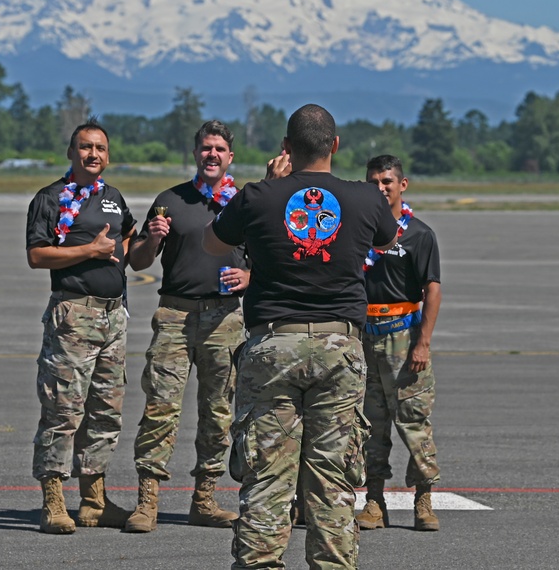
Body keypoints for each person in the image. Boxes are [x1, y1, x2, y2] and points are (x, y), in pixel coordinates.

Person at [204, 104, 398, 570]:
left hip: (274, 344)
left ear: (286, 148)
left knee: (267, 477)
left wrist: (270, 188)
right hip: (339, 346)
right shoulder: (367, 198)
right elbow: (386, 239)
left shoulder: (257, 196)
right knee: (331, 478)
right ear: (335, 145)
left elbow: (213, 242)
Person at [124, 120, 249, 533]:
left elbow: (268, 257)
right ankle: (148, 501)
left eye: (219, 149)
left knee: (218, 412)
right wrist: (153, 239)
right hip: (176, 315)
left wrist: (251, 278)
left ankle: (206, 498)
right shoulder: (170, 201)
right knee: (161, 406)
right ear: (195, 153)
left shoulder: (243, 204)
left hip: (225, 318)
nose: (211, 155)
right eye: (205, 148)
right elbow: (138, 262)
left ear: (230, 156)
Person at [25, 118, 136, 534]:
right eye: (86, 147)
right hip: (73, 315)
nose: (94, 155)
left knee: (106, 412)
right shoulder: (50, 198)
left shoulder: (114, 198)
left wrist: (155, 237)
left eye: (101, 148)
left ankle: (94, 500)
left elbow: (132, 251)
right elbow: (37, 255)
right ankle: (53, 500)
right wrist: (90, 249)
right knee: (63, 410)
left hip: (113, 316)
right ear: (72, 153)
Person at [355, 154, 442, 532]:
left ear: (401, 185)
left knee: (414, 422)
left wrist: (422, 342)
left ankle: (423, 499)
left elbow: (432, 288)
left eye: (387, 181)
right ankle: (374, 501)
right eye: (373, 181)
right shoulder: (356, 231)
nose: (380, 187)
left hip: (403, 337)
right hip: (364, 336)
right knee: (369, 426)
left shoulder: (418, 234)